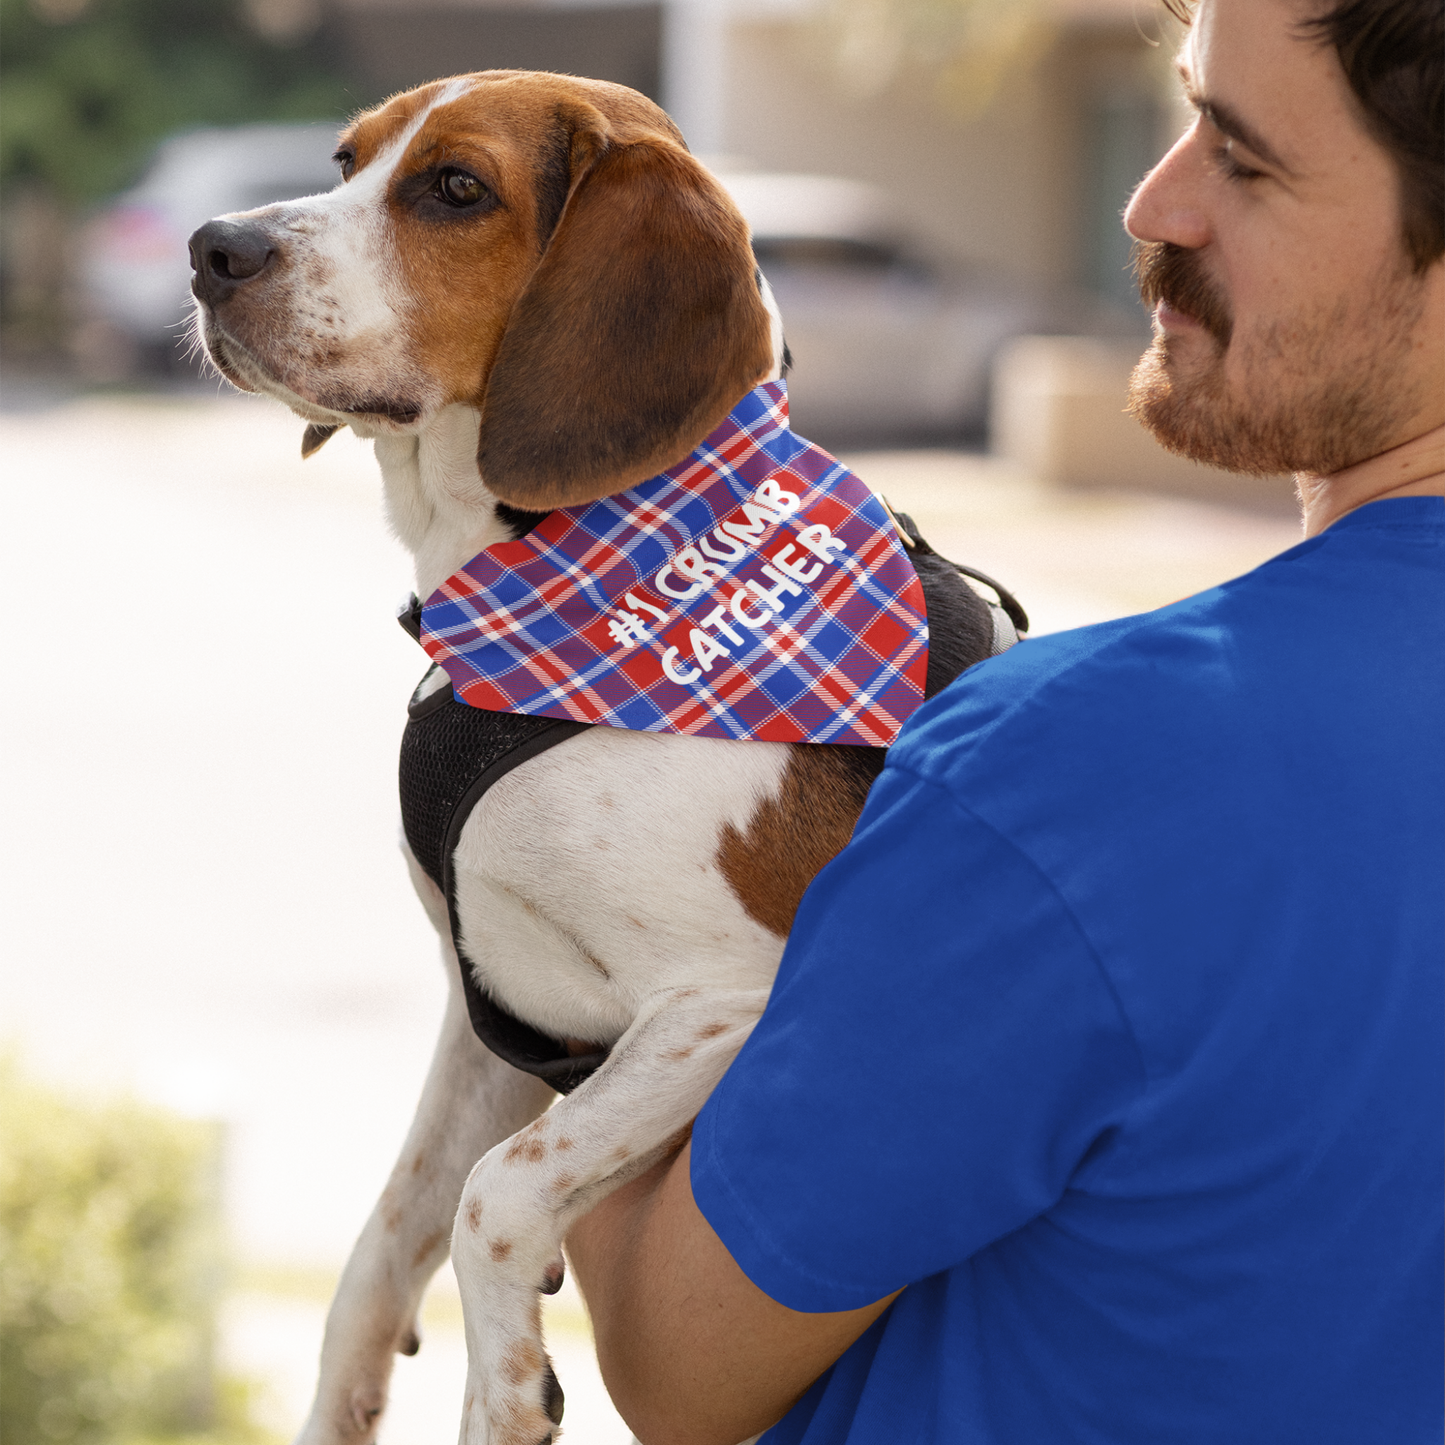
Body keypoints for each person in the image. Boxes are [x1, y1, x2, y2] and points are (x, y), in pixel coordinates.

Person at [565, 0, 1445, 1439]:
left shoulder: (1083, 770)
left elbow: (676, 1362)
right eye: (1185, 114)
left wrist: (549, 902)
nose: (1152, 203)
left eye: (1243, 156)